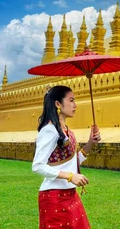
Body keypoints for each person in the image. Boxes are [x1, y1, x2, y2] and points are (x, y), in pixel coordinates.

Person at [32, 85, 101, 229]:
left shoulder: (66, 131)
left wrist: (90, 143)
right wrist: (70, 177)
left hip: (70, 194)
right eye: (71, 100)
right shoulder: (49, 131)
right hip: (54, 197)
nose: (75, 105)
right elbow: (37, 166)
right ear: (58, 104)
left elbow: (73, 163)